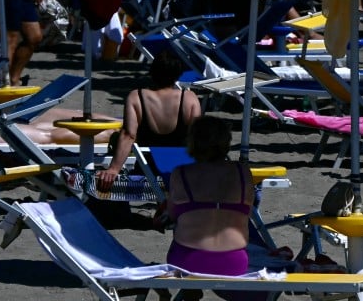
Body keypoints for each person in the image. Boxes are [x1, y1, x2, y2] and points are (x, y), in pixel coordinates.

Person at [164, 115, 254, 280]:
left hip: (188, 261)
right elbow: (246, 215)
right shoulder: (243, 173)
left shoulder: (181, 173)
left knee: (180, 230)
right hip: (233, 262)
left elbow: (172, 215)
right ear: (225, 141)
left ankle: (190, 296)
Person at [97, 50, 202, 189]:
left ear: (152, 72)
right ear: (177, 74)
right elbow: (199, 136)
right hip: (182, 171)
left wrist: (114, 169)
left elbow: (129, 135)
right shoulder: (189, 98)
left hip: (147, 170)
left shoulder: (136, 97)